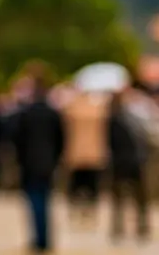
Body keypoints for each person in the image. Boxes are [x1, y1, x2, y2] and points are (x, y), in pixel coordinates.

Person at [13, 73, 65, 253]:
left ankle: (38, 238)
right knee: (45, 201)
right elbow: (61, 139)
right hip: (48, 163)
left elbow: (18, 140)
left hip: (29, 164)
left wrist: (19, 160)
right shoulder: (53, 113)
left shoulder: (26, 113)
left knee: (35, 202)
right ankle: (45, 238)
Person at [107, 89, 150, 243]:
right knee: (138, 198)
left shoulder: (112, 120)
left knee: (120, 198)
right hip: (135, 161)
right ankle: (140, 227)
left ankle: (120, 228)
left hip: (121, 163)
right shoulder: (132, 118)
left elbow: (109, 143)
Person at [63, 89, 109, 228]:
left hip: (76, 154)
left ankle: (76, 212)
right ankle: (89, 213)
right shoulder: (99, 110)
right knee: (91, 186)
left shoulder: (72, 110)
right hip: (94, 155)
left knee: (76, 186)